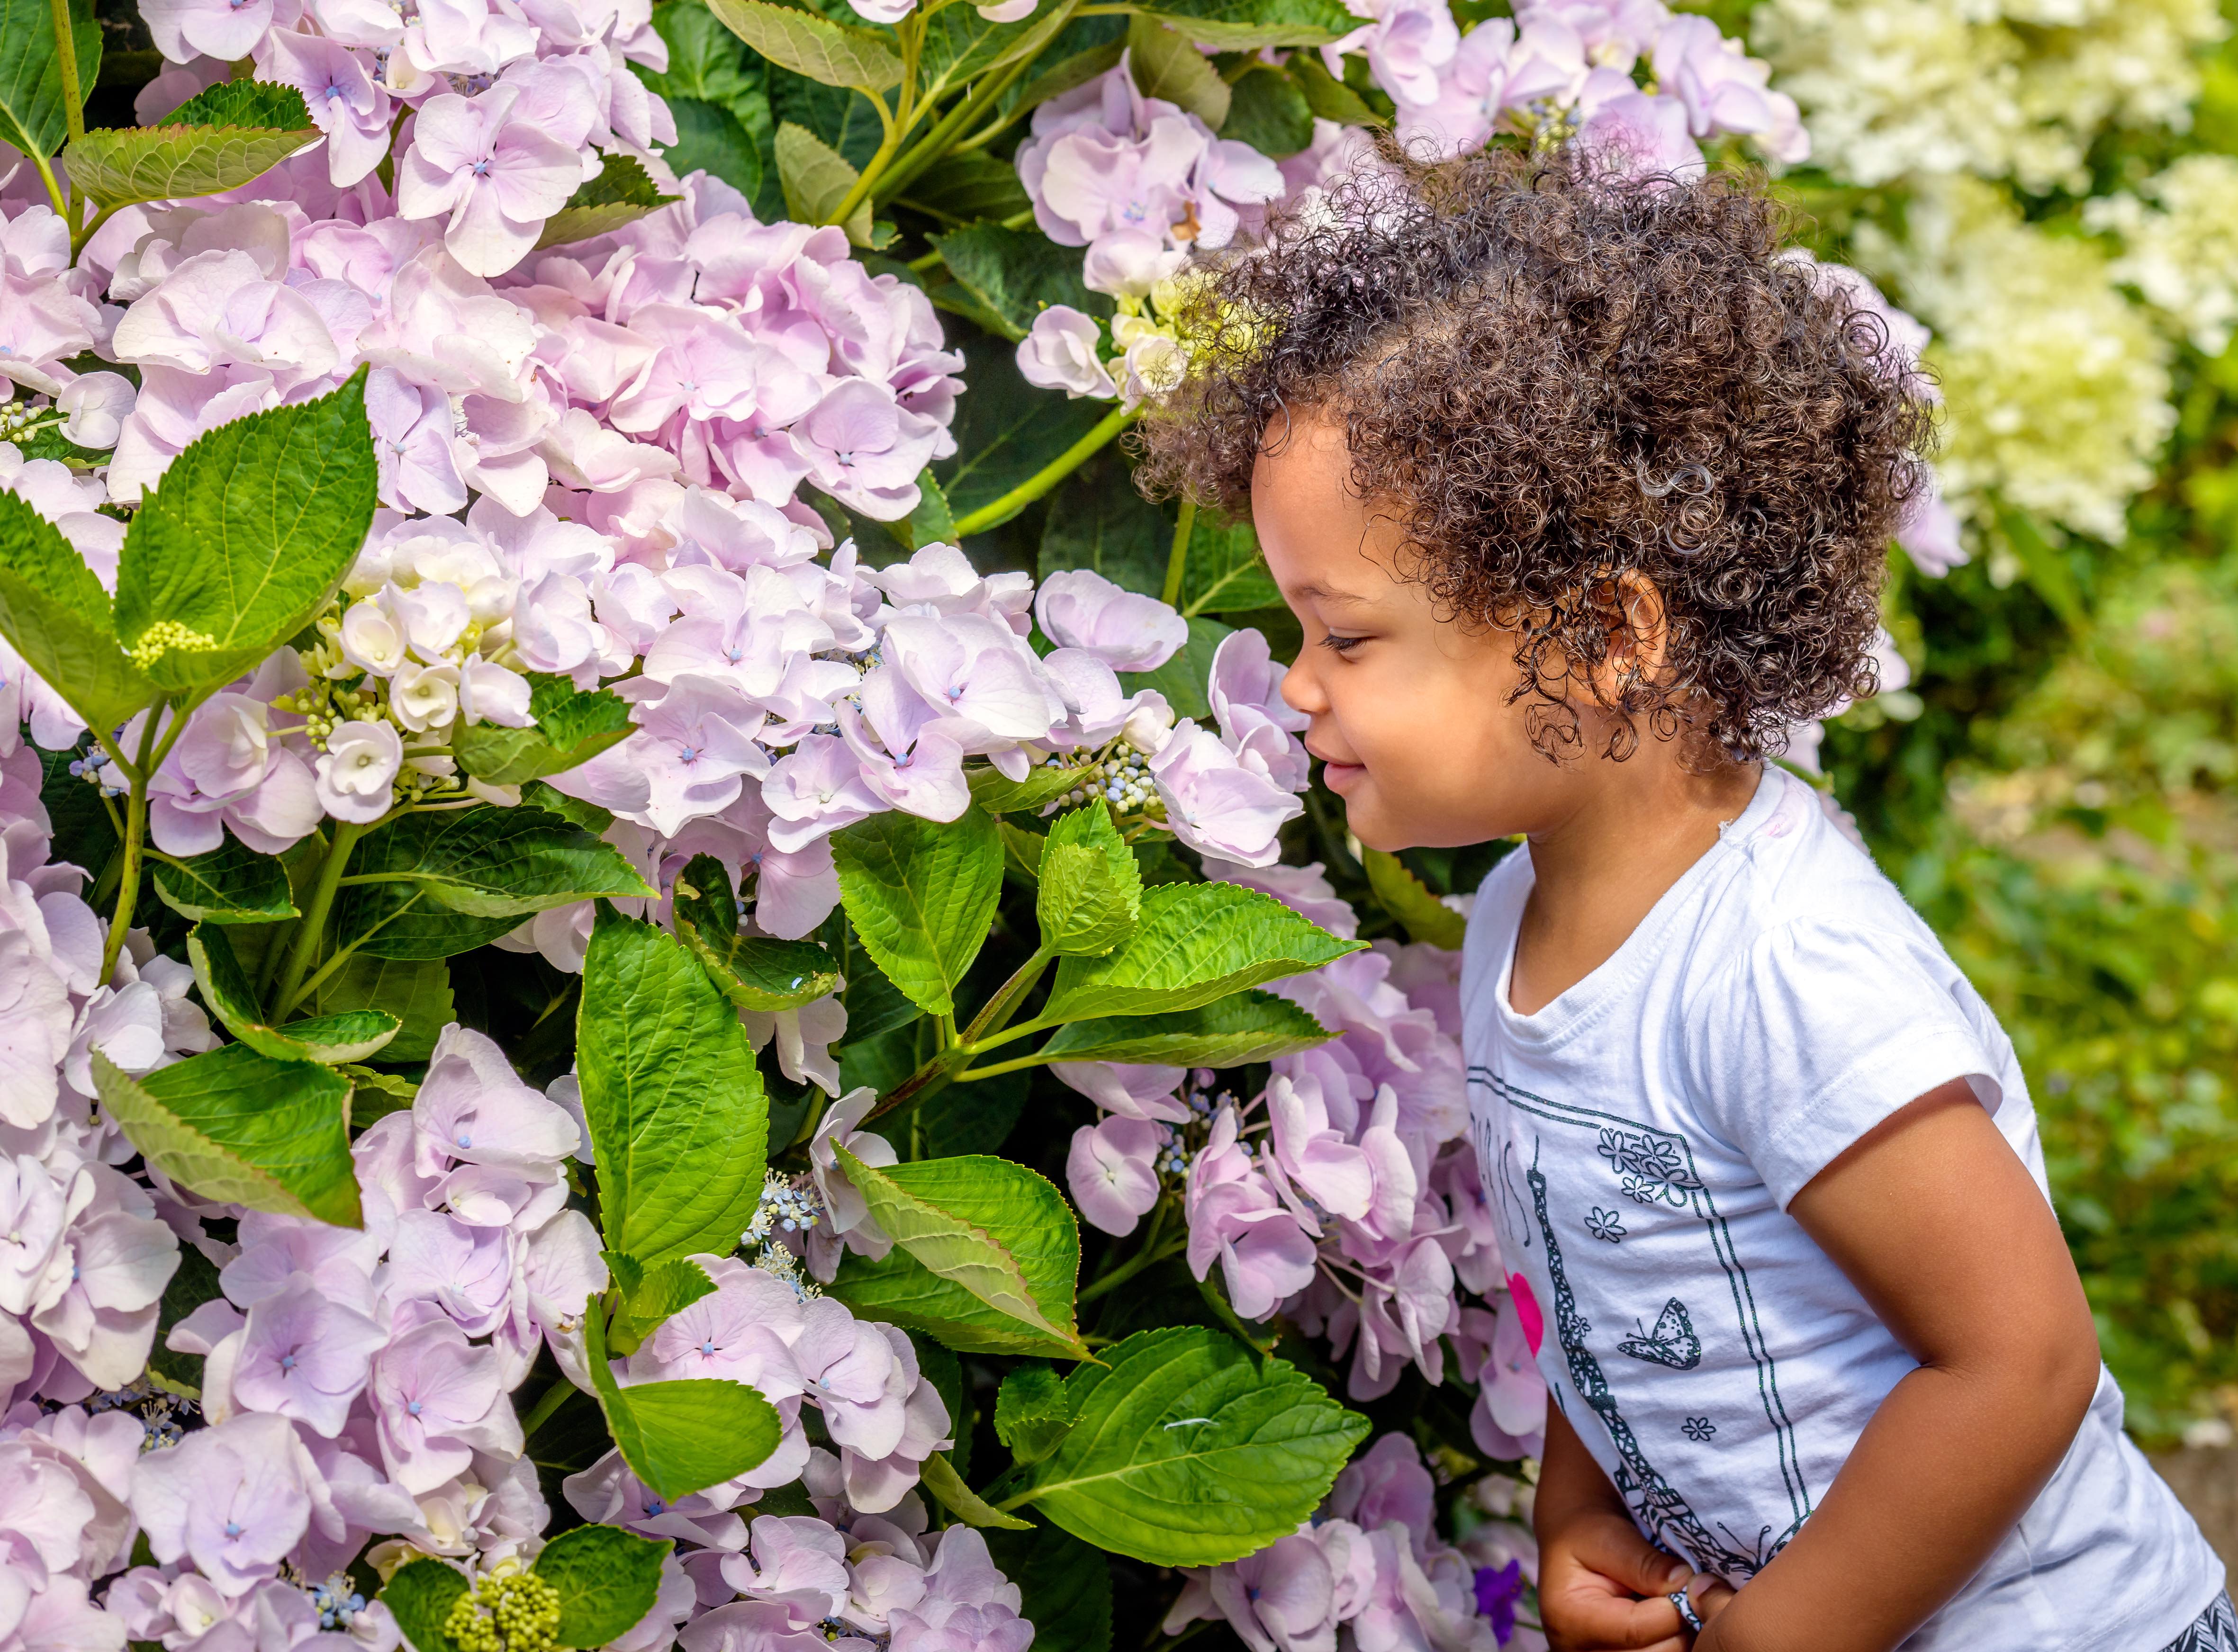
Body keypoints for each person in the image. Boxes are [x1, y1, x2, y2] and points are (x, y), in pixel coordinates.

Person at [1134, 143, 2228, 1652]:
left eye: (1348, 637)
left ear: (1600, 637)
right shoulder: (1522, 921)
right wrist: (1584, 1518)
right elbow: (1602, 1288)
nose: (1296, 690)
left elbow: (2017, 1362)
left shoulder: (1785, 973)